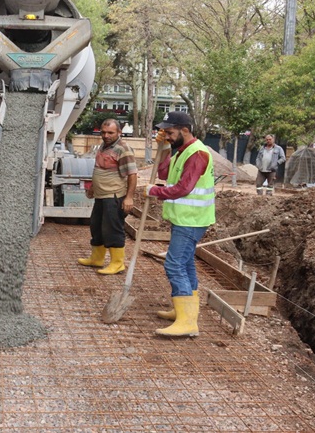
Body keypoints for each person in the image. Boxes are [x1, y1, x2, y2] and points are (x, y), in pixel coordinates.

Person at [144, 111, 215, 337]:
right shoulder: (182, 151)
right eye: (165, 133)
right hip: (184, 218)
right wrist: (164, 148)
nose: (167, 136)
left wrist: (154, 191)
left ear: (185, 130)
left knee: (174, 265)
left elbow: (184, 188)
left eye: (170, 132)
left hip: (192, 220)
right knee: (185, 264)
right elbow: (165, 173)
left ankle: (187, 322)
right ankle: (184, 311)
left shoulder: (197, 154)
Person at [77, 119, 138, 275]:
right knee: (96, 226)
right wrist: (92, 187)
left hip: (114, 196)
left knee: (112, 229)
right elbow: (98, 169)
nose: (106, 135)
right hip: (101, 195)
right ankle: (97, 258)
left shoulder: (123, 149)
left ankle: (117, 264)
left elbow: (132, 174)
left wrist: (129, 198)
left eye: (110, 132)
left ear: (119, 132)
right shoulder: (103, 147)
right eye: (103, 132)